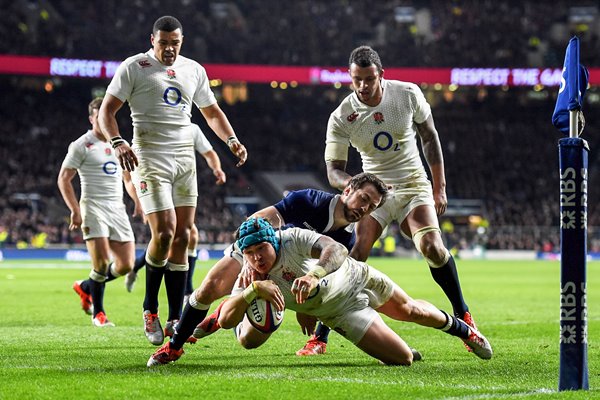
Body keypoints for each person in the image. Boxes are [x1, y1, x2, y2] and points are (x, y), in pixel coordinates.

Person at [147, 218, 492, 367]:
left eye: (261, 251)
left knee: (412, 312)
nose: (256, 258)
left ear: (273, 240)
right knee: (401, 359)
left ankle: (465, 329)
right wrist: (252, 290)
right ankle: (394, 344)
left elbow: (336, 248)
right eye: (249, 253)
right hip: (339, 313)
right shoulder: (249, 272)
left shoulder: (293, 238)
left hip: (356, 278)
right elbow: (224, 320)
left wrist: (315, 275)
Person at [98, 15, 247, 345]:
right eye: (163, 43)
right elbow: (106, 111)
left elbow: (211, 112)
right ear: (152, 40)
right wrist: (118, 142)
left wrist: (232, 140)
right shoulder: (134, 67)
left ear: (182, 42)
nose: (169, 49)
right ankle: (149, 307)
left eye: (175, 44)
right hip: (148, 155)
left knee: (183, 237)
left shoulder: (194, 69)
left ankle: (175, 316)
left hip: (184, 160)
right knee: (163, 232)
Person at [324, 46, 478, 340]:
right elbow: (333, 171)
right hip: (373, 191)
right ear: (349, 77)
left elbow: (429, 136)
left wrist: (439, 188)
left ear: (382, 75)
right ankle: (321, 335)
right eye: (357, 79)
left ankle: (463, 313)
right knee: (356, 254)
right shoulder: (342, 116)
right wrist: (353, 186)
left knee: (432, 248)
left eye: (369, 79)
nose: (363, 86)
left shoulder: (407, 94)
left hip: (412, 183)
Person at [146, 172, 388, 359]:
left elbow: (338, 288)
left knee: (251, 337)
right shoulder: (309, 200)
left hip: (286, 274)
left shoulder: (347, 240)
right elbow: (256, 220)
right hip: (258, 250)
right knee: (209, 287)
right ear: (348, 190)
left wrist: (311, 314)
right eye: (364, 198)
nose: (365, 208)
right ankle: (174, 347)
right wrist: (249, 261)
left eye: (372, 207)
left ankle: (229, 314)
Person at [57, 97, 144, 327]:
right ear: (92, 119)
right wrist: (75, 210)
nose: (103, 120)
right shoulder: (81, 144)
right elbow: (64, 179)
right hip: (92, 206)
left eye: (107, 115)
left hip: (117, 208)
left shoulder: (119, 144)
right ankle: (99, 314)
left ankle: (86, 286)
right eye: (98, 117)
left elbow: (127, 178)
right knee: (102, 263)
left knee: (126, 264)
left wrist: (137, 200)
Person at [124, 123, 227, 303]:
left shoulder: (192, 129)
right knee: (166, 238)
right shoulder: (152, 125)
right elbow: (129, 173)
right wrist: (139, 201)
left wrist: (216, 168)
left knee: (185, 237)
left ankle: (139, 269)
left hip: (180, 190)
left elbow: (209, 153)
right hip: (156, 190)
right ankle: (178, 292)